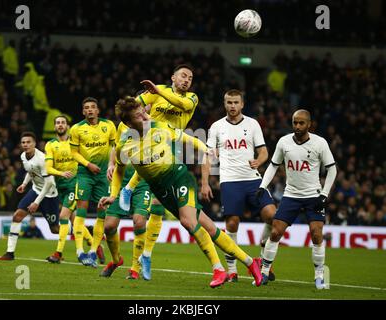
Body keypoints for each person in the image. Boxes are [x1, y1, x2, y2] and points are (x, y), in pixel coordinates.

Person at [99, 96, 262, 288]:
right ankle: (252, 263)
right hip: (161, 191)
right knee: (210, 228)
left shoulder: (159, 126)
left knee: (187, 221)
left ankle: (218, 269)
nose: (144, 116)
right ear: (127, 123)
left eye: (143, 111)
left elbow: (189, 139)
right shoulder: (124, 144)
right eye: (138, 116)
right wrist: (113, 194)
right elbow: (119, 170)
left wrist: (206, 150)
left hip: (179, 177)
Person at [118, 64, 199, 280]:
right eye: (183, 75)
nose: (187, 80)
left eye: (190, 78)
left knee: (157, 207)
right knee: (143, 215)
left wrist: (158, 91)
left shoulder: (191, 98)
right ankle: (128, 188)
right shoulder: (156, 93)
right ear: (173, 76)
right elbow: (131, 109)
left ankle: (145, 255)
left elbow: (179, 103)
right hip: (149, 145)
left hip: (173, 145)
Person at [201, 89, 277, 282]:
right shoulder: (217, 127)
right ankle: (232, 269)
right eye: (229, 102)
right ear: (224, 104)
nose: (232, 106)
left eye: (236, 102)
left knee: (272, 216)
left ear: (242, 104)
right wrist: (205, 183)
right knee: (232, 223)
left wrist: (259, 161)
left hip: (253, 179)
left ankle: (262, 254)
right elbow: (207, 156)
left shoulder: (252, 124)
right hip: (230, 181)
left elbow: (264, 152)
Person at [256, 110, 337, 288]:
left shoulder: (319, 143)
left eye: (301, 123)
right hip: (291, 195)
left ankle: (319, 275)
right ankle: (264, 272)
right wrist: (263, 186)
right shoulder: (284, 142)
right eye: (295, 123)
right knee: (276, 232)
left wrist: (324, 194)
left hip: (313, 196)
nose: (298, 126)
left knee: (316, 234)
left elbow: (332, 169)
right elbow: (273, 165)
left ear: (309, 124)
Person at [44, 115, 104, 264]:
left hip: (75, 184)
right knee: (75, 220)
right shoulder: (50, 145)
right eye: (57, 123)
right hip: (62, 186)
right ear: (54, 127)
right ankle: (95, 246)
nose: (60, 125)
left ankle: (58, 253)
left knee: (63, 217)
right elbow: (48, 168)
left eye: (63, 122)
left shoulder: (75, 143)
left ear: (68, 126)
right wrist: (60, 173)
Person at [0, 132, 60, 260]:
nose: (25, 145)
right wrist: (24, 184)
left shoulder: (42, 159)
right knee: (17, 216)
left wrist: (36, 202)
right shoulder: (23, 156)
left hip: (49, 195)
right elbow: (31, 171)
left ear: (34, 144)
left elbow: (49, 183)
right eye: (23, 142)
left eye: (28, 142)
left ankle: (82, 231)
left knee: (55, 229)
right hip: (35, 190)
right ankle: (10, 253)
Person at [100, 121, 152, 280]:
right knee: (108, 226)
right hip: (121, 181)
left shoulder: (152, 123)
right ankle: (116, 260)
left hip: (143, 182)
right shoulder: (122, 125)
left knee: (139, 221)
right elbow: (116, 146)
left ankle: (135, 268)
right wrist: (110, 164)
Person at [69, 97, 116, 267]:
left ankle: (93, 251)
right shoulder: (76, 128)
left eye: (93, 107)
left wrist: (111, 166)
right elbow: (73, 152)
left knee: (101, 211)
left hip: (104, 176)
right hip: (84, 174)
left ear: (98, 111)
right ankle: (80, 251)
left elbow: (114, 147)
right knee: (80, 210)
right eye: (86, 108)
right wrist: (88, 164)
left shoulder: (109, 125)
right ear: (83, 112)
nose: (90, 110)